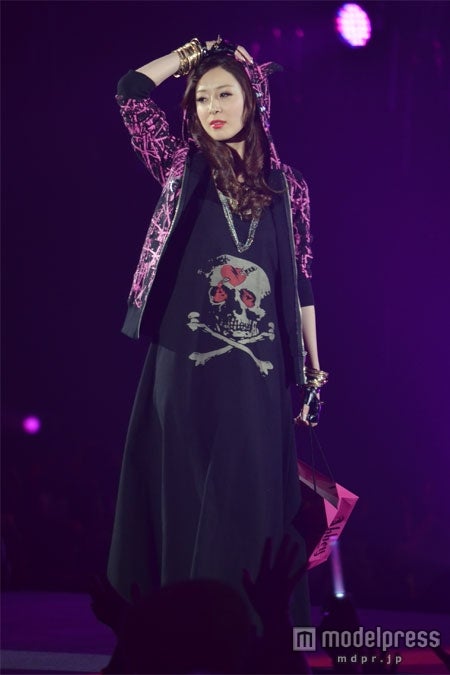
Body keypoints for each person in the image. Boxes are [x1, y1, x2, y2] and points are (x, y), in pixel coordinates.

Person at [107, 36, 328, 627]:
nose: (212, 108)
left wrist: (313, 370)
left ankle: (248, 633)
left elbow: (301, 283)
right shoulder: (182, 168)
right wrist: (189, 56)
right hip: (183, 361)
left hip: (258, 369)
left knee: (249, 493)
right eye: (201, 98)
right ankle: (179, 628)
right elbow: (130, 92)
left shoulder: (290, 188)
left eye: (225, 94)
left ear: (253, 99)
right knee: (183, 487)